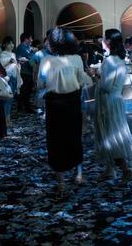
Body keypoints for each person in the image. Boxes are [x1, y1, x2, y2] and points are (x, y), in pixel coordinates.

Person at [37, 28, 92, 195]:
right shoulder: (76, 59)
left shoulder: (46, 61)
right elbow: (82, 81)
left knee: (56, 140)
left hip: (54, 103)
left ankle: (61, 182)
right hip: (72, 101)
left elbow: (40, 83)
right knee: (75, 136)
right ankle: (79, 175)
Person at [94, 29, 132, 184]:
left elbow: (106, 85)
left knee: (110, 135)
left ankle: (126, 170)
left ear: (109, 41)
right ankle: (110, 169)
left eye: (104, 38)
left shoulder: (110, 61)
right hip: (116, 99)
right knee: (112, 132)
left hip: (108, 101)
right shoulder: (120, 59)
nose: (102, 41)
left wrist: (95, 75)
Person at [0, 36, 21, 126]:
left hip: (14, 78)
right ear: (4, 45)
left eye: (12, 43)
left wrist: (18, 63)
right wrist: (9, 62)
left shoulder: (13, 54)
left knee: (10, 100)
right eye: (9, 43)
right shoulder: (2, 54)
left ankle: (8, 119)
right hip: (7, 78)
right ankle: (5, 120)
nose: (11, 45)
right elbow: (0, 66)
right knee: (7, 99)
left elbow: (15, 66)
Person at [15, 32, 34, 113]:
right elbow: (30, 57)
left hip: (27, 71)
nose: (32, 40)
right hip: (24, 72)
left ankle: (23, 107)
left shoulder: (27, 47)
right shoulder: (22, 47)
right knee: (25, 90)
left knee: (25, 90)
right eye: (30, 38)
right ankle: (25, 107)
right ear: (26, 39)